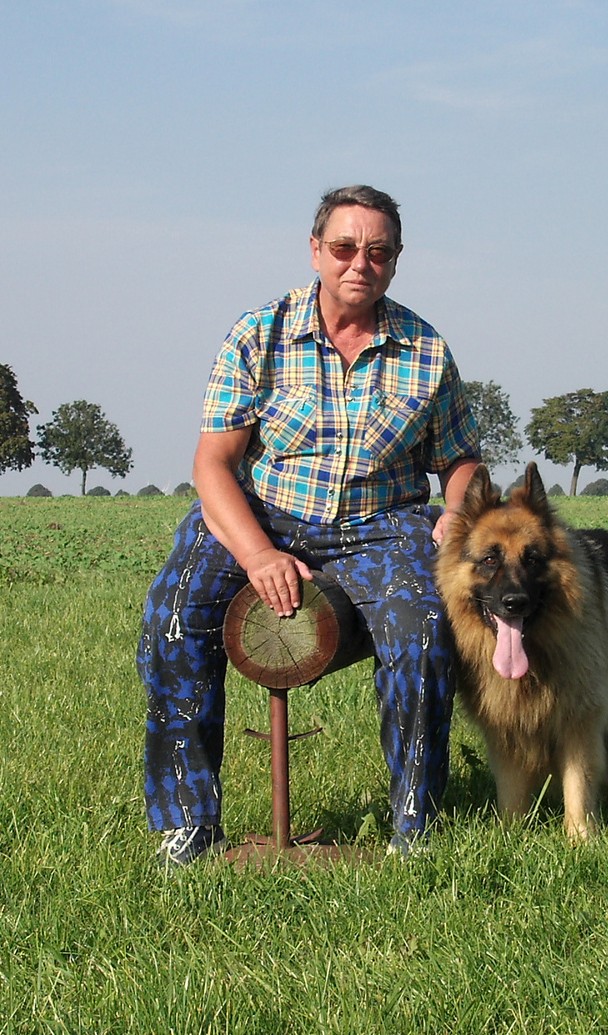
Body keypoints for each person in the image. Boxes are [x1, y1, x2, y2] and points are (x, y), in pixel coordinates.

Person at [137, 185, 482, 867]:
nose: (361, 262)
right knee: (173, 617)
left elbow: (462, 458)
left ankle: (415, 827)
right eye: (346, 247)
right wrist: (260, 553)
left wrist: (461, 509)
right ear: (317, 250)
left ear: (396, 258)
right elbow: (213, 464)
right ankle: (189, 827)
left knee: (424, 632)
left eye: (378, 251)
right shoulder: (258, 334)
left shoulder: (425, 349)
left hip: (382, 521)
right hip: (263, 512)